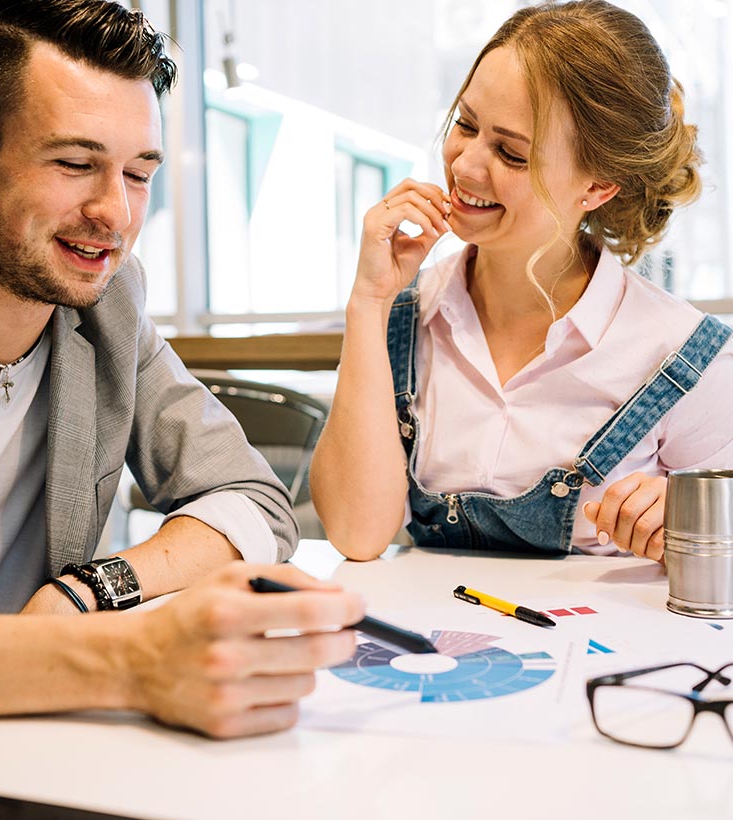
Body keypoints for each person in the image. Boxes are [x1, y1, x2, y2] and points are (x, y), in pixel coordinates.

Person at [0, 0, 364, 742]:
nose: (115, 213)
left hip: (39, 737)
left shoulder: (106, 306)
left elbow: (253, 499)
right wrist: (126, 659)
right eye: (75, 164)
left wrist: (89, 589)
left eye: (138, 174)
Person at [310, 0, 733, 563]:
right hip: (436, 647)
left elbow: (721, 561)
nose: (463, 166)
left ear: (598, 187)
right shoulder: (403, 316)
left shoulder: (685, 356)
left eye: (511, 153)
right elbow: (357, 535)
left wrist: (686, 521)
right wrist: (369, 303)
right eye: (465, 124)